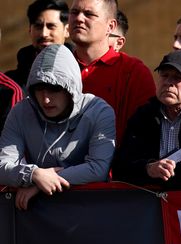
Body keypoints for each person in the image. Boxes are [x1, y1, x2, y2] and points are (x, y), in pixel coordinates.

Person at [0, 44, 115, 210]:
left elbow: (98, 168)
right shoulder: (22, 111)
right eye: (39, 89)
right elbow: (3, 165)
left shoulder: (99, 111)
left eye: (54, 89)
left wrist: (45, 180)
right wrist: (34, 174)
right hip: (37, 214)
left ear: (71, 88)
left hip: (90, 210)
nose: (45, 99)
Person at [113, 51, 181, 189]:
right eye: (164, 75)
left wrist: (172, 172)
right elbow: (120, 167)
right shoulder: (143, 116)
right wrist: (148, 168)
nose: (169, 82)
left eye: (178, 78)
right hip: (149, 202)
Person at [68, 0, 154, 147]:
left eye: (89, 14)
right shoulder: (57, 66)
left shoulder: (133, 72)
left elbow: (144, 134)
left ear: (110, 26)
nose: (79, 18)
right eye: (74, 12)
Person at [6, 0, 70, 88]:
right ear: (30, 30)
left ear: (67, 30)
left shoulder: (83, 74)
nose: (44, 34)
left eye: (51, 26)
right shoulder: (9, 85)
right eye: (38, 26)